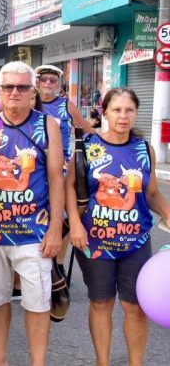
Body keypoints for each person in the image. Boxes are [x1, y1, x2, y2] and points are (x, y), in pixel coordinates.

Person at [0, 61, 64, 366]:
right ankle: (0, 356)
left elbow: (57, 178)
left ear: (33, 92)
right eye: (8, 87)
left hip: (34, 233)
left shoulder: (48, 126)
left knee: (37, 302)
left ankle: (38, 362)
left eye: (22, 87)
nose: (15, 92)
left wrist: (56, 229)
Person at [66, 88, 170, 366]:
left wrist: (169, 214)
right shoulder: (86, 146)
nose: (123, 116)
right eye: (117, 110)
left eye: (129, 110)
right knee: (101, 303)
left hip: (136, 241)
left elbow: (152, 195)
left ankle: (136, 363)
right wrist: (75, 224)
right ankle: (104, 362)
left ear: (136, 113)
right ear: (105, 112)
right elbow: (69, 189)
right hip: (94, 240)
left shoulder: (144, 149)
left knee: (135, 307)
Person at [34, 64, 93, 285]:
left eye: (52, 80)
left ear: (59, 84)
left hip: (63, 170)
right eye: (44, 79)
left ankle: (58, 266)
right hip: (35, 170)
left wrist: (81, 160)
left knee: (64, 218)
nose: (48, 84)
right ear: (36, 82)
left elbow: (88, 134)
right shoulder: (30, 103)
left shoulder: (66, 106)